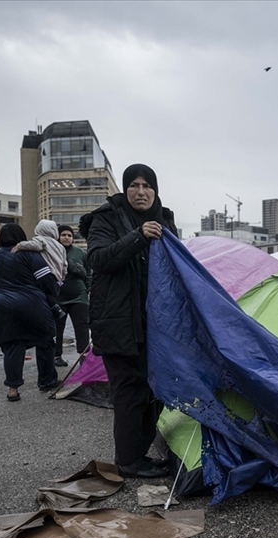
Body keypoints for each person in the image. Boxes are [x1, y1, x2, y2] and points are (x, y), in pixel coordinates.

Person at [85, 164, 177, 478]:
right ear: (126, 189)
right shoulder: (106, 217)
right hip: (118, 323)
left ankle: (139, 454)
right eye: (134, 185)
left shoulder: (165, 219)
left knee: (153, 392)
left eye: (147, 186)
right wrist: (138, 236)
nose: (141, 192)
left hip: (154, 326)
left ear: (155, 190)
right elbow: (98, 259)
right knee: (128, 393)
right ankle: (127, 461)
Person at [0, 223, 60, 400]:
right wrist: (56, 289)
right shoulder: (28, 253)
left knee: (12, 345)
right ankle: (47, 381)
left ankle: (13, 390)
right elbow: (46, 280)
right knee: (46, 340)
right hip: (30, 302)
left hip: (2, 304)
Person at [13, 219, 68, 322]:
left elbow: (35, 245)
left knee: (41, 291)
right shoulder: (60, 246)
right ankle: (55, 308)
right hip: (57, 275)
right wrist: (63, 274)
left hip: (46, 271)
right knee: (49, 293)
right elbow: (65, 263)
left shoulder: (41, 240)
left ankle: (56, 309)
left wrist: (20, 245)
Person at [51, 224, 91, 366]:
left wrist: (88, 289)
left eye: (69, 235)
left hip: (79, 297)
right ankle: (57, 356)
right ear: (58, 236)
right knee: (57, 328)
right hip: (58, 297)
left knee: (82, 327)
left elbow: (89, 273)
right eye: (64, 235)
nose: (67, 238)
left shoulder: (80, 253)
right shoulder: (52, 252)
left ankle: (84, 356)